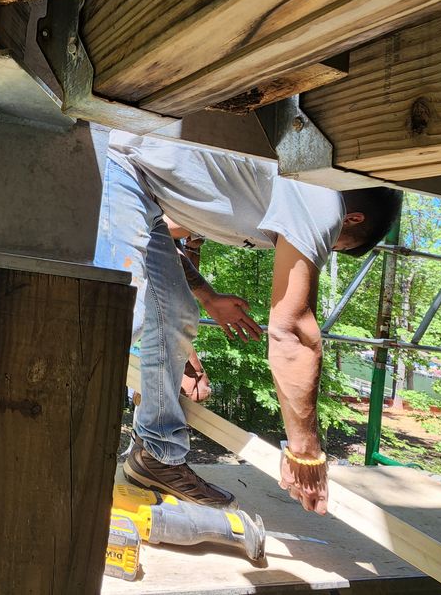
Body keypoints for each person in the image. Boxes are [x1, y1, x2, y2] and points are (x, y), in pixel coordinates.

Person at [96, 131, 402, 515]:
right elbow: (291, 331)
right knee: (124, 309)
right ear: (351, 218)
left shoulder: (252, 196)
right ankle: (51, 441)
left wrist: (208, 298)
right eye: (333, 245)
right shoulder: (322, 200)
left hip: (146, 193)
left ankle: (157, 456)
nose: (319, 248)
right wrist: (306, 453)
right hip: (115, 161)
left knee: (176, 313)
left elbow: (161, 232)